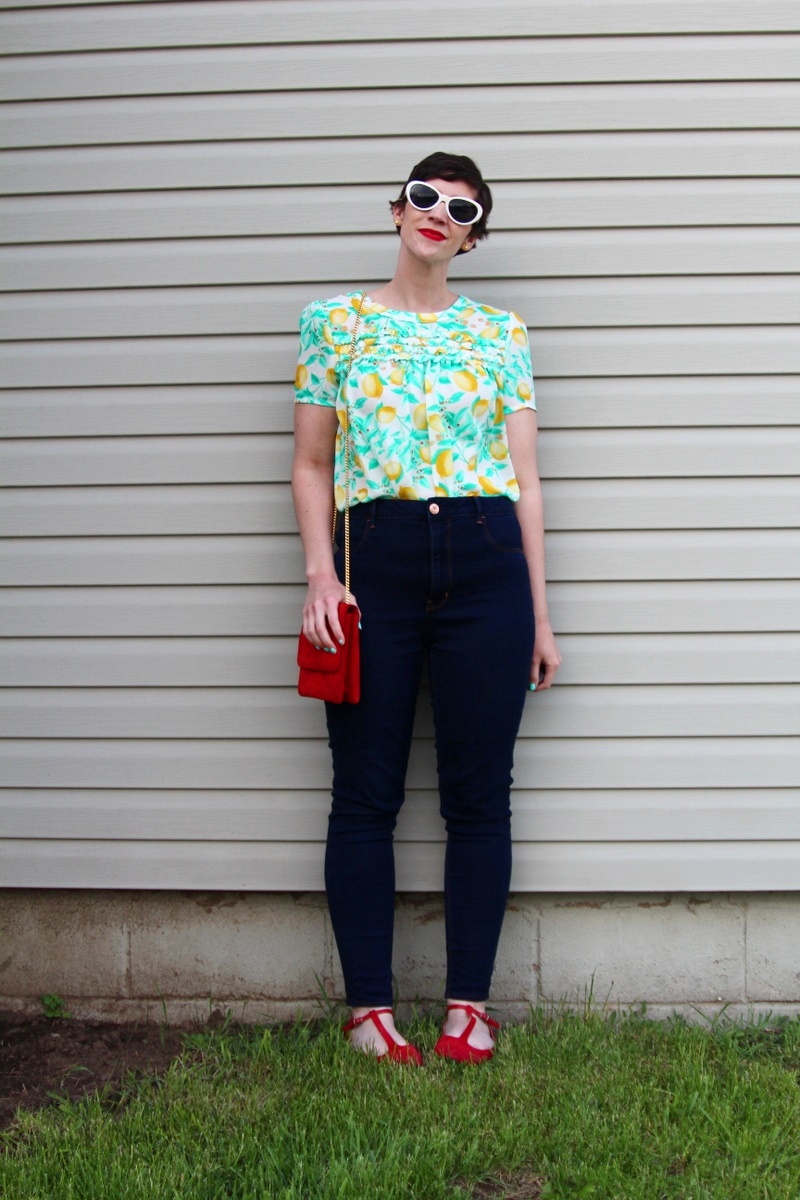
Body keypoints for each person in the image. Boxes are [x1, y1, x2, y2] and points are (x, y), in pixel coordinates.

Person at [292, 151, 561, 1064]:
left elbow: (526, 481)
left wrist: (540, 612)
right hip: (376, 560)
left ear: (474, 236)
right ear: (396, 210)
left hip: (486, 563)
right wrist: (322, 578)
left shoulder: (501, 334)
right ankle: (369, 1010)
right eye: (424, 198)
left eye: (461, 209)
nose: (438, 214)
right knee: (363, 794)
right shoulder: (334, 325)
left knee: (480, 797)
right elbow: (311, 465)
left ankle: (468, 1009)